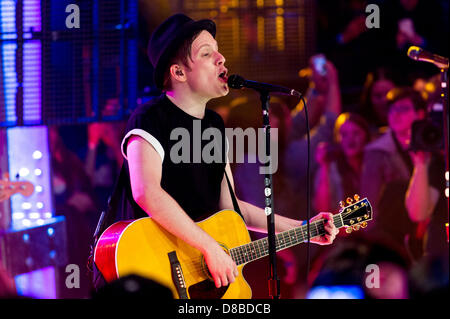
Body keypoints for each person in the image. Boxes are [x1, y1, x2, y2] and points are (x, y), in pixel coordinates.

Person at [95, 14, 339, 293]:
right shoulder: (150, 118)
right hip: (150, 265)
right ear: (179, 73)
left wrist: (303, 228)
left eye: (218, 50)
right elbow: (146, 192)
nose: (221, 58)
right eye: (207, 53)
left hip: (198, 274)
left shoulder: (213, 125)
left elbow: (233, 208)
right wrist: (209, 246)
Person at [360, 87, 444, 261]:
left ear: (420, 114)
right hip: (391, 236)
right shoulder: (377, 152)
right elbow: (369, 203)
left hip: (428, 233)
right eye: (392, 109)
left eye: (403, 109)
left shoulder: (434, 143)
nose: (395, 114)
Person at [314, 112, 371, 214]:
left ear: (366, 135)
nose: (350, 139)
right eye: (344, 134)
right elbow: (322, 209)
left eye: (356, 133)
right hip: (344, 227)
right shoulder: (331, 168)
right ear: (337, 138)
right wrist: (324, 166)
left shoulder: (375, 162)